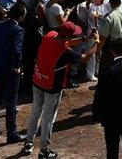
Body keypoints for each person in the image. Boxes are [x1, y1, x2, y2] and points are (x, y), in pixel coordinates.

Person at [25, 21, 90, 158]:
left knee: (35, 112)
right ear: (67, 37)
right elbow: (85, 58)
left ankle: (28, 141)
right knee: (48, 118)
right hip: (52, 87)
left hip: (38, 80)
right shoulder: (65, 52)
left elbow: (65, 42)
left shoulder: (50, 35)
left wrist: (84, 39)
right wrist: (96, 43)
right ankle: (44, 150)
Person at [0, 3, 25, 143]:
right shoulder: (18, 30)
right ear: (20, 16)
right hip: (10, 70)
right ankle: (11, 133)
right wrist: (16, 66)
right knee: (11, 101)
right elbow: (17, 51)